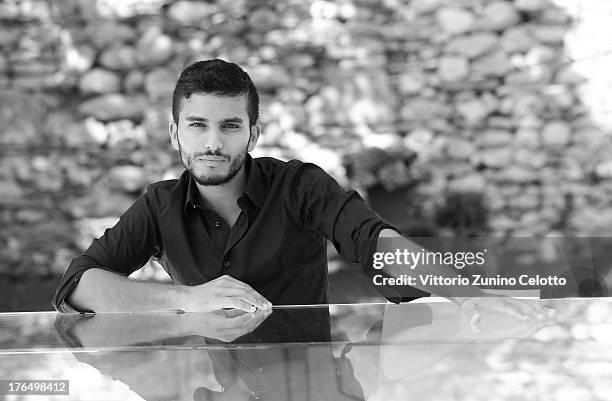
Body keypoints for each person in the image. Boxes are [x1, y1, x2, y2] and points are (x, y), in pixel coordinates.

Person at [52, 59, 552, 322]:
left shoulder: (299, 185)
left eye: (230, 126)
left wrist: (468, 293)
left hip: (310, 379)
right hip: (209, 381)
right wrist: (187, 301)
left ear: (253, 133)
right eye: (197, 125)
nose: (212, 143)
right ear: (174, 133)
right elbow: (78, 283)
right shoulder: (159, 206)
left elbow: (374, 240)